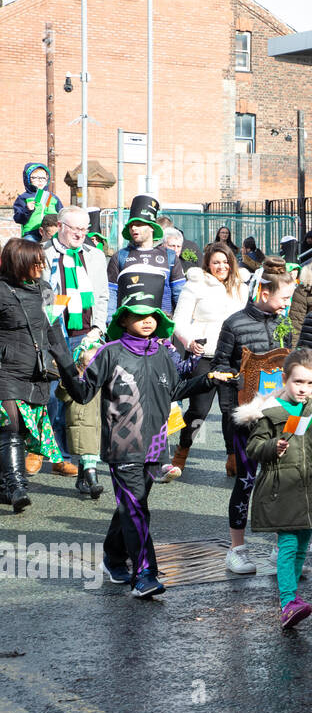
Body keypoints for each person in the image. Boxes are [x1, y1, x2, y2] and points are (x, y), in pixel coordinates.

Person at [59, 271, 219, 597]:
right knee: (136, 509)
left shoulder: (161, 352)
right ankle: (145, 575)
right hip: (123, 447)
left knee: (133, 505)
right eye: (138, 315)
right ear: (125, 318)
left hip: (157, 445)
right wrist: (62, 360)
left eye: (152, 316)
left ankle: (113, 555)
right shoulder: (110, 352)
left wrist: (209, 379)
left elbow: (175, 390)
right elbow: (83, 393)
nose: (146, 321)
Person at [239, 348, 312, 628]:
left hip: (308, 490)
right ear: (285, 379)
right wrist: (273, 446)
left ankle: (292, 597)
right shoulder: (270, 412)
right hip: (281, 488)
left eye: (310, 383)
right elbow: (253, 448)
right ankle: (287, 601)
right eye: (298, 382)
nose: (304, 389)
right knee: (287, 544)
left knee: (301, 546)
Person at [212, 270, 295, 575]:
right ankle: (237, 549)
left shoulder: (284, 322)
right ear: (263, 292)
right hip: (247, 417)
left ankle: (279, 548)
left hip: (279, 414)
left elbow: (290, 361)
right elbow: (220, 366)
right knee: (245, 483)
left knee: (280, 482)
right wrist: (238, 393)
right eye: (284, 297)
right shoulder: (234, 323)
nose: (287, 303)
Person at [42, 205, 110, 494]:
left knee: (86, 398)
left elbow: (102, 294)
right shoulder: (44, 253)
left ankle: (84, 463)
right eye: (75, 229)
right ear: (60, 226)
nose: (81, 234)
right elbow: (42, 296)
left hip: (86, 333)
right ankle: (57, 454)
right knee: (56, 396)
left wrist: (97, 329)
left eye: (84, 229)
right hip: (55, 334)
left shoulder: (95, 255)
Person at [170, 241, 249, 478]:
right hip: (204, 355)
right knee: (199, 410)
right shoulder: (195, 285)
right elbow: (179, 320)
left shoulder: (242, 287)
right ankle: (182, 451)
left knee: (230, 410)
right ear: (208, 264)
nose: (221, 266)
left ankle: (232, 456)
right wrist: (190, 341)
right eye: (216, 262)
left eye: (225, 262)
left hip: (232, 357)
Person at [0, 239, 68, 511]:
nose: (42, 266)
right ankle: (17, 485)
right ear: (20, 263)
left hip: (38, 371)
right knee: (10, 426)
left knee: (24, 430)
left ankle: (6, 486)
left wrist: (69, 369)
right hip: (5, 371)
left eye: (42, 261)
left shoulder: (46, 289)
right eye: (36, 262)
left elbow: (54, 333)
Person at [107, 195, 185, 316]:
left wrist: (179, 323)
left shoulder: (169, 256)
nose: (133, 228)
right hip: (128, 326)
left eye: (139, 224)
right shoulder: (120, 257)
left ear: (152, 228)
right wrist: (109, 322)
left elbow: (180, 294)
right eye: (131, 225)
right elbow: (111, 293)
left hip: (161, 326)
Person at [13, 163, 62, 237]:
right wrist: (27, 210)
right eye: (35, 178)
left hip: (51, 233)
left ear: (47, 180)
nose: (40, 181)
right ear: (28, 179)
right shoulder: (24, 197)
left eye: (43, 178)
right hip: (31, 233)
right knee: (29, 246)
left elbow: (62, 214)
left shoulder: (52, 197)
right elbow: (18, 219)